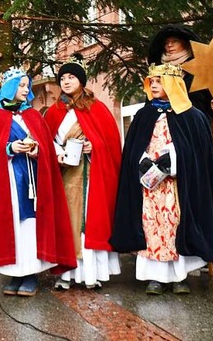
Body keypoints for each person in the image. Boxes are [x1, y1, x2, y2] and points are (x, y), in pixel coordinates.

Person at [110, 63, 213, 295]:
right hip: (150, 188)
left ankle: (179, 277)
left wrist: (172, 161)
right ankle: (155, 277)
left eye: (159, 81)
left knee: (175, 227)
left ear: (172, 83)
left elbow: (198, 155)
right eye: (151, 81)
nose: (153, 85)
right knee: (151, 226)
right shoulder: (144, 115)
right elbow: (134, 148)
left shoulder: (192, 116)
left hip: (177, 186)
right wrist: (143, 162)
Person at [0, 67, 76, 297]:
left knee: (29, 225)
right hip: (8, 180)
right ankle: (14, 273)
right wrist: (9, 148)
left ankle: (30, 274)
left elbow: (46, 147)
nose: (26, 89)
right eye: (21, 85)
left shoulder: (33, 116)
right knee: (11, 226)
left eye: (26, 85)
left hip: (32, 179)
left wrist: (36, 149)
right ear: (9, 88)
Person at [44, 61, 122, 290]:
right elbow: (47, 141)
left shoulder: (96, 108)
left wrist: (93, 146)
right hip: (64, 174)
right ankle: (66, 274)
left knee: (88, 222)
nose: (66, 81)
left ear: (81, 81)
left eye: (71, 77)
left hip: (90, 175)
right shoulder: (54, 111)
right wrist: (57, 152)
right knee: (66, 220)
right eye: (63, 78)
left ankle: (92, 273)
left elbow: (110, 143)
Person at [147, 24, 213, 122]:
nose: (169, 45)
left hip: (195, 127)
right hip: (166, 128)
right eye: (166, 42)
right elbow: (150, 102)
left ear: (185, 43)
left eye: (174, 41)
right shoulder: (158, 70)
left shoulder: (202, 69)